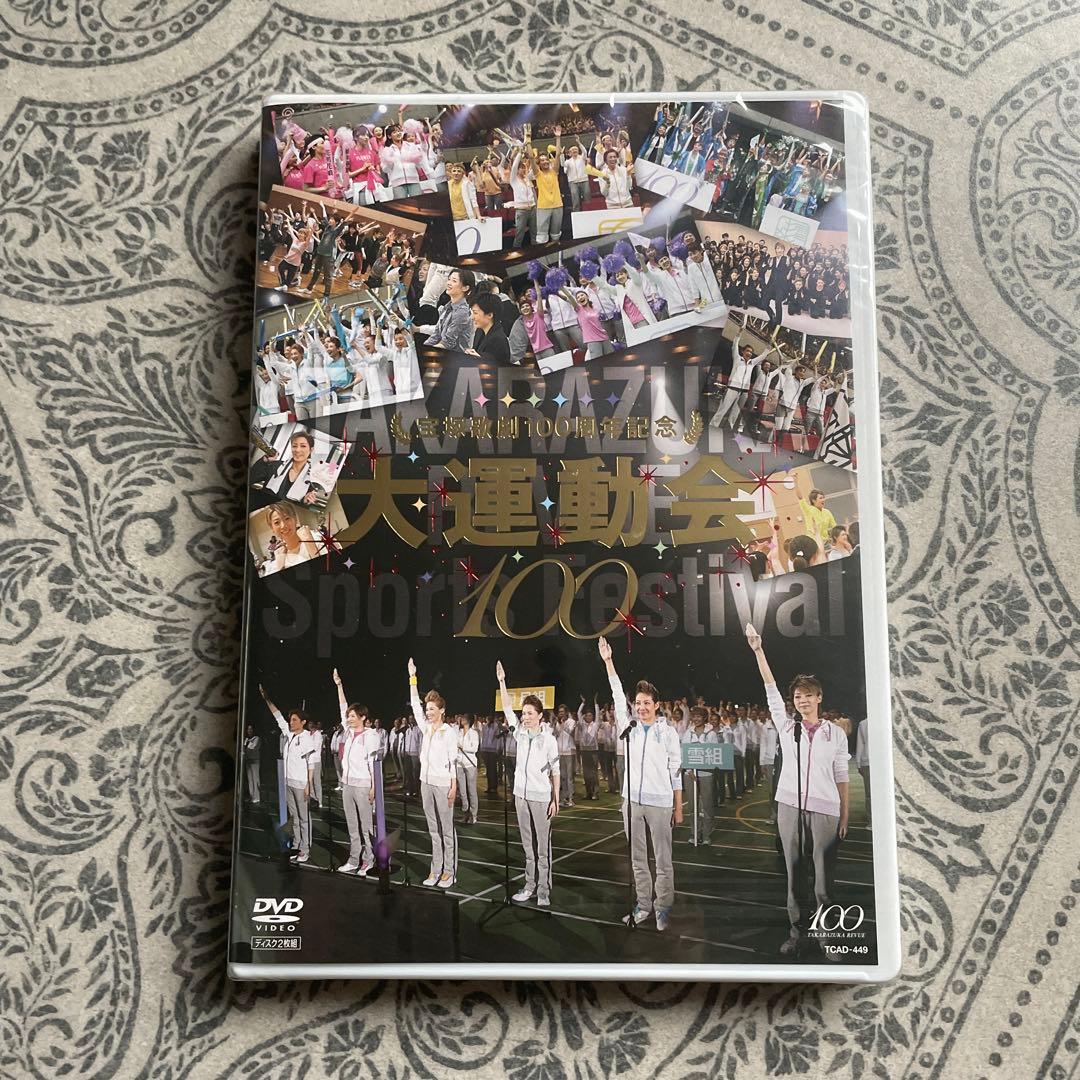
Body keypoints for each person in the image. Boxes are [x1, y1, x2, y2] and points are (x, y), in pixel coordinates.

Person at [744, 621, 849, 956]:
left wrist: (844, 815)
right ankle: (796, 933)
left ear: (819, 698)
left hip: (826, 811)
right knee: (793, 875)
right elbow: (770, 689)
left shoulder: (836, 733)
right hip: (789, 807)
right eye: (797, 696)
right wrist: (759, 650)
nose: (801, 700)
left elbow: (842, 776)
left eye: (807, 695)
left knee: (823, 881)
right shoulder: (788, 728)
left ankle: (827, 937)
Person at [597, 636, 683, 932]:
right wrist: (609, 662)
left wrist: (678, 807)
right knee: (637, 858)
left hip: (661, 804)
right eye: (638, 703)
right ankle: (643, 905)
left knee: (663, 860)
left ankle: (663, 907)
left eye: (647, 703)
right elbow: (616, 694)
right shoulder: (629, 728)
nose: (641, 707)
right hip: (632, 802)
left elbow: (675, 771)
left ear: (657, 705)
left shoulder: (668, 733)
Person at [497, 662, 560, 906]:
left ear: (540, 715)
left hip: (541, 798)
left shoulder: (549, 740)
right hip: (520, 797)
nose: (525, 717)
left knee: (543, 847)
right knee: (527, 845)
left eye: (530, 713)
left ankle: (543, 890)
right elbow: (506, 708)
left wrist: (555, 799)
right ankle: (529, 885)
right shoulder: (519, 734)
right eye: (523, 713)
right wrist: (502, 682)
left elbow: (556, 771)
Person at [408, 657, 459, 888]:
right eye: (426, 709)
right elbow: (414, 704)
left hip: (443, 784)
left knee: (446, 830)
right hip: (425, 783)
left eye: (431, 709)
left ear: (442, 711)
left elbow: (453, 761)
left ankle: (449, 871)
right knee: (433, 829)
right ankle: (435, 869)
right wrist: (412, 678)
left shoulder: (449, 732)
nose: (427, 712)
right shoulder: (425, 728)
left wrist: (453, 786)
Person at [259, 685, 316, 864]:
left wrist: (308, 785)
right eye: (290, 720)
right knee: (295, 818)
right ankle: (297, 845)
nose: (291, 722)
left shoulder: (307, 738)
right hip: (289, 782)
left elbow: (311, 763)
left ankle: (305, 849)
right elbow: (277, 716)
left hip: (301, 784)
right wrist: (267, 699)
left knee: (304, 818)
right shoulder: (289, 735)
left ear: (303, 722)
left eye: (294, 720)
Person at [332, 669, 379, 875]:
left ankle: (369, 860)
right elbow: (342, 706)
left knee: (366, 826)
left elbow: (373, 764)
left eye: (353, 716)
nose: (349, 718)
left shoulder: (371, 736)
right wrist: (339, 686)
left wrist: (373, 788)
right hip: (348, 784)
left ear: (363, 717)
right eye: (348, 716)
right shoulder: (349, 732)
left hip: (363, 786)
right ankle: (353, 859)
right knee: (352, 825)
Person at [681, 707, 717, 844]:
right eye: (694, 716)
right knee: (692, 805)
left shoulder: (711, 734)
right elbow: (683, 751)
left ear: (704, 718)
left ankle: (707, 834)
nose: (696, 719)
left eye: (699, 716)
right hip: (690, 774)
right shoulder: (688, 733)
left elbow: (714, 753)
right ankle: (695, 832)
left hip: (706, 773)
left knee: (707, 804)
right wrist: (689, 769)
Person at [424, 269, 476, 353]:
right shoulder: (447, 306)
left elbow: (447, 343)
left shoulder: (463, 312)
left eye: (454, 281)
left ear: (465, 288)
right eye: (449, 279)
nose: (448, 283)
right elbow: (435, 336)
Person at [468, 293, 511, 364]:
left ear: (490, 315)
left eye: (475, 313)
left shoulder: (499, 340)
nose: (472, 317)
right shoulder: (480, 330)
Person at [575, 698, 600, 800]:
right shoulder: (582, 725)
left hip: (593, 751)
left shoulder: (595, 725)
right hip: (584, 751)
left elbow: (598, 714)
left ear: (592, 717)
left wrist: (596, 704)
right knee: (586, 774)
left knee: (593, 773)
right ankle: (588, 793)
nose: (588, 717)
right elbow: (578, 713)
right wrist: (583, 703)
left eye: (590, 715)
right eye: (587, 715)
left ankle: (595, 793)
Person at [456, 714, 480, 825]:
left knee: (471, 791)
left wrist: (463, 747)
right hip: (459, 764)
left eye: (464, 718)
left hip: (470, 764)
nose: (462, 720)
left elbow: (475, 748)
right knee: (462, 791)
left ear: (469, 721)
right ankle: (465, 813)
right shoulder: (459, 732)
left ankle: (473, 815)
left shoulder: (474, 733)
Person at [553, 706, 577, 808]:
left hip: (569, 751)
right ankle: (564, 798)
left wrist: (563, 723)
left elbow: (570, 732)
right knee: (562, 776)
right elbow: (555, 735)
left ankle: (571, 798)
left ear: (567, 712)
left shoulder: (571, 721)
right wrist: (555, 724)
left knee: (569, 777)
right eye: (559, 712)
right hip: (560, 752)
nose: (561, 713)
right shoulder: (558, 723)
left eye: (562, 712)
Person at [855, 718, 871, 827]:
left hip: (868, 762)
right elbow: (860, 743)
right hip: (868, 762)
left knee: (870, 795)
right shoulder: (863, 723)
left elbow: (860, 744)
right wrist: (858, 763)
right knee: (870, 795)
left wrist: (858, 763)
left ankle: (872, 822)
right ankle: (872, 821)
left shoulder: (863, 723)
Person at [242, 724, 261, 803]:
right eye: (248, 729)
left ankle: (257, 797)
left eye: (251, 729)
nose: (249, 731)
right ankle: (251, 796)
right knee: (250, 780)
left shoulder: (257, 738)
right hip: (248, 761)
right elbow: (243, 749)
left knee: (255, 779)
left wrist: (246, 746)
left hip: (255, 761)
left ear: (254, 730)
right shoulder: (246, 739)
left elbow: (253, 748)